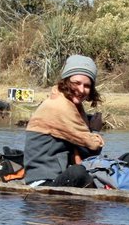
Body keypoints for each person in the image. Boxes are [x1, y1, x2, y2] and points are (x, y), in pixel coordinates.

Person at [23, 55, 105, 187]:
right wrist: (94, 130)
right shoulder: (60, 107)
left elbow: (83, 149)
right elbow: (93, 148)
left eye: (87, 86)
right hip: (43, 181)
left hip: (56, 177)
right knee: (78, 173)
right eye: (76, 83)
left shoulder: (70, 104)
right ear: (66, 81)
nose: (81, 90)